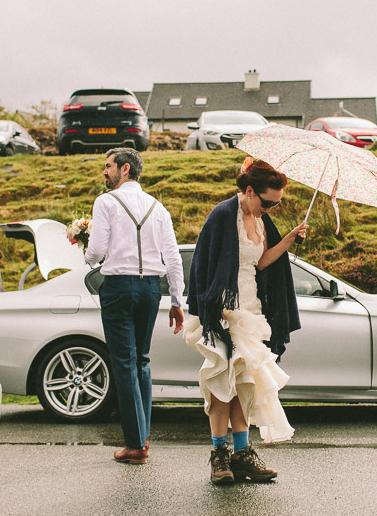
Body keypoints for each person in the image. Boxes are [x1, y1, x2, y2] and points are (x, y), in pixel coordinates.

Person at [184, 157, 308, 485]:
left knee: (244, 385)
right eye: (268, 202)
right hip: (221, 310)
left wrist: (290, 238)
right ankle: (219, 456)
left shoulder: (261, 220)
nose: (272, 209)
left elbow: (263, 262)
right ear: (250, 190)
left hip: (250, 312)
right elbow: (202, 264)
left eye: (278, 204)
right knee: (221, 384)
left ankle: (241, 455)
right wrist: (215, 306)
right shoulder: (223, 215)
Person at [83, 148, 185, 465]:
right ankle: (143, 435)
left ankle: (135, 445)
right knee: (141, 360)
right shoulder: (159, 208)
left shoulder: (106, 203)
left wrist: (85, 250)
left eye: (108, 166)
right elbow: (174, 258)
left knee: (125, 364)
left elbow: (96, 253)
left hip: (117, 288)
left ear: (125, 169)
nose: (104, 172)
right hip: (150, 290)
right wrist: (177, 300)